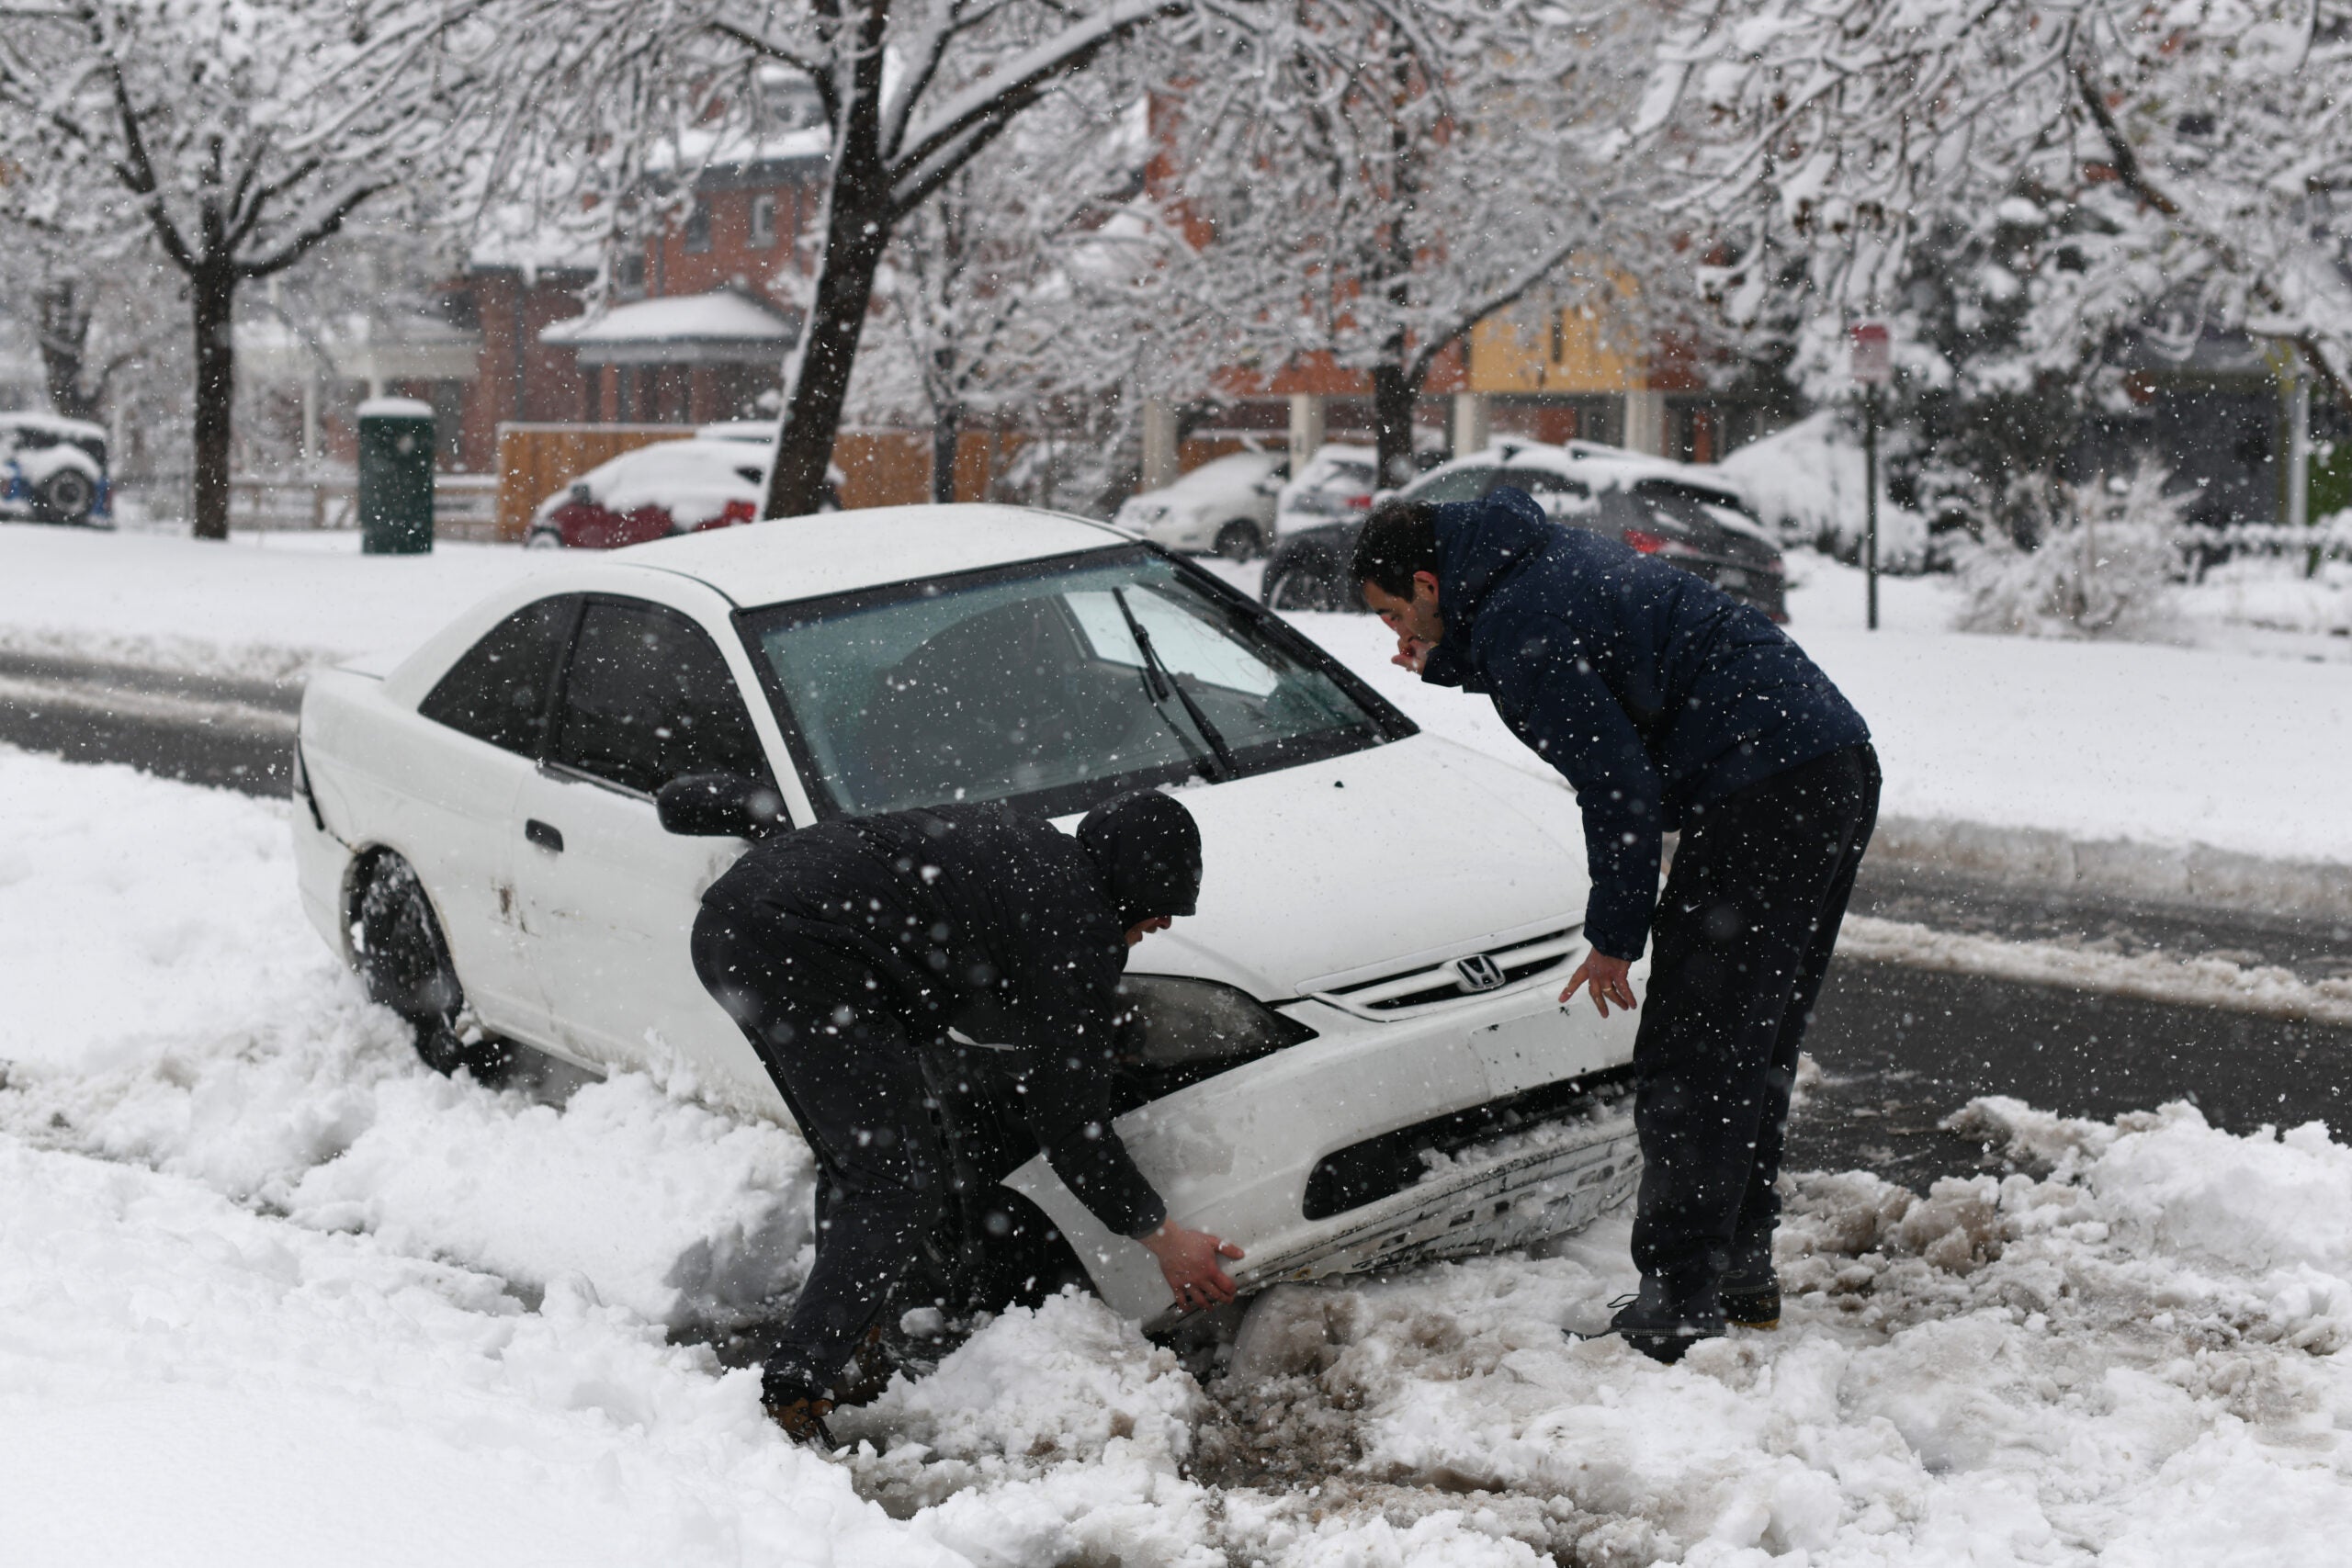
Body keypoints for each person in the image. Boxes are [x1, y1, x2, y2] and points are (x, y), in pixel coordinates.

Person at [1352, 490, 1877, 1362]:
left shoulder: (1521, 616)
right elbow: (1570, 669)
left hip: (1761, 786)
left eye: (1395, 612)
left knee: (1692, 1049)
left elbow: (1617, 785)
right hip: (1828, 761)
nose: (1392, 629)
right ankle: (1736, 1270)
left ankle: (1677, 1297)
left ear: (1426, 579)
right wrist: (1445, 659)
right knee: (1753, 1034)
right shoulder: (1531, 567)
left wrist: (1615, 935)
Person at [689, 789, 1243, 1441]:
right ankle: (794, 1393)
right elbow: (1072, 1127)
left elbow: (975, 981)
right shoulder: (1075, 920)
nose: (1165, 924)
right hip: (799, 944)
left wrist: (1074, 1036)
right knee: (896, 1184)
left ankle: (841, 1348)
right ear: (1133, 883)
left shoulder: (1043, 860)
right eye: (1161, 906)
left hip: (744, 924)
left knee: (864, 1166)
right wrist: (1164, 1237)